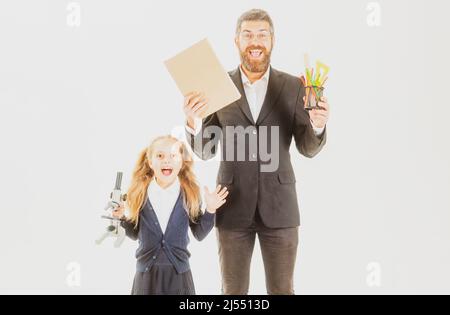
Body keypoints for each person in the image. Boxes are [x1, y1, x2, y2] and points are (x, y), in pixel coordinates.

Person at [183, 9, 330, 295]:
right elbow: (205, 150)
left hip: (281, 208)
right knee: (233, 292)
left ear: (272, 41)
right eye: (248, 34)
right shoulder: (218, 86)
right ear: (236, 41)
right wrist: (192, 122)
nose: (255, 41)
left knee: (282, 290)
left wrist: (318, 126)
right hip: (232, 206)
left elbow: (307, 148)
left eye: (262, 35)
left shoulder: (293, 87)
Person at [113, 135, 229, 295]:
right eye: (160, 156)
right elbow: (134, 233)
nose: (166, 161)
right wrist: (121, 217)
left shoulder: (190, 194)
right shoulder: (139, 193)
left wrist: (210, 210)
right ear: (150, 161)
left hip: (179, 275)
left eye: (173, 156)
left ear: (181, 162)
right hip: (146, 276)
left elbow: (199, 234)